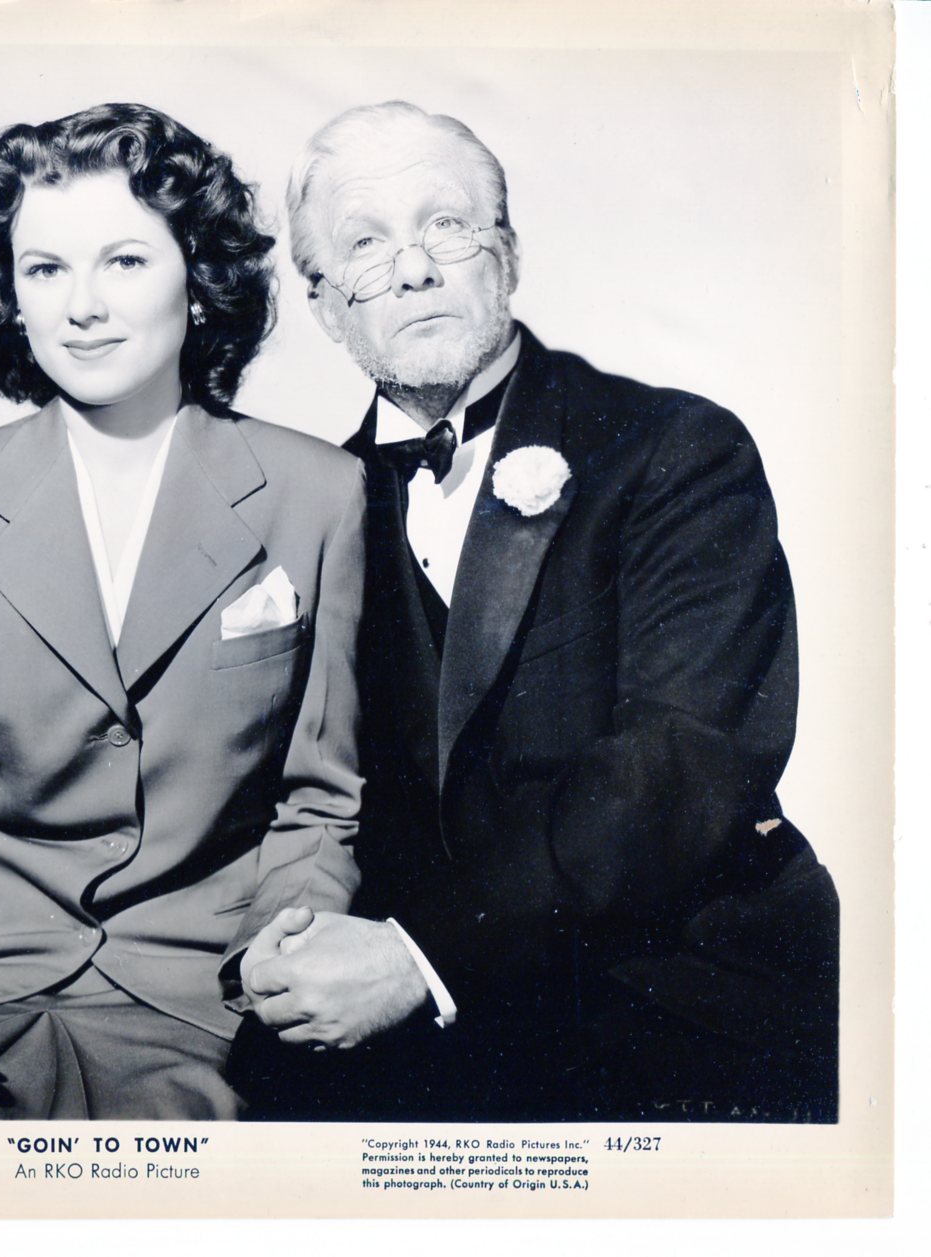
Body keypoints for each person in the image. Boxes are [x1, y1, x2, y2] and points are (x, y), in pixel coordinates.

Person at [237, 100, 838, 1121]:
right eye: (366, 245)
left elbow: (682, 763)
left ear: (506, 255)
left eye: (445, 225)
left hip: (678, 1001)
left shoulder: (675, 448)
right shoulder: (305, 509)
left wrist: (419, 956)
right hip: (419, 1044)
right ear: (326, 306)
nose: (413, 269)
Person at [0, 103, 367, 1119]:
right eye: (44, 269)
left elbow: (318, 804)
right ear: (9, 296)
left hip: (222, 1003)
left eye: (124, 261)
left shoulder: (318, 492)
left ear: (196, 279)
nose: (81, 307)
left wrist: (282, 945)